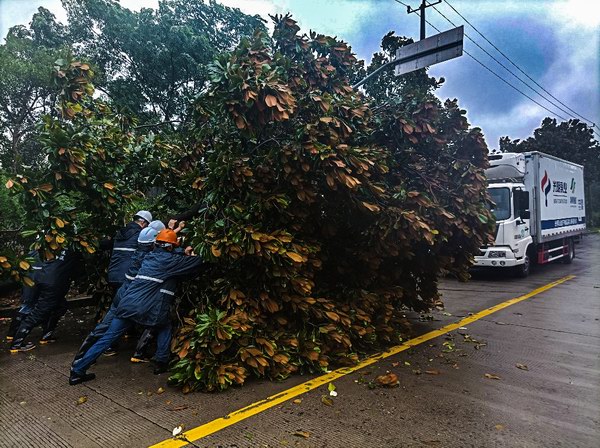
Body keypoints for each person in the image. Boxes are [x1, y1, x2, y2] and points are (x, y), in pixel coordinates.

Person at [69, 229, 203, 385]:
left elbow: (170, 256)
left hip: (126, 304)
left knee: (107, 338)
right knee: (164, 325)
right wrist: (191, 253)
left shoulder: (149, 257)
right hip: (142, 307)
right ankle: (161, 362)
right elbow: (198, 262)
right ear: (170, 247)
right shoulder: (168, 261)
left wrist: (179, 250)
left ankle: (78, 370)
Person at [71, 227, 159, 363]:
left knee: (105, 325)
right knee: (118, 328)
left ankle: (81, 356)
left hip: (119, 285)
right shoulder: (150, 257)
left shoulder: (129, 244)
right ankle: (135, 351)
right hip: (130, 295)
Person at [10, 249, 83, 353]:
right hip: (52, 283)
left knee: (60, 306)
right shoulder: (73, 250)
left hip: (44, 278)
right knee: (38, 313)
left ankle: (46, 335)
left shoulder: (55, 246)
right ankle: (16, 344)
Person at [103, 210, 152, 292]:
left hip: (113, 275)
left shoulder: (120, 233)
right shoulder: (140, 235)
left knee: (117, 301)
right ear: (143, 223)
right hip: (127, 276)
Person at [5, 251, 43, 341]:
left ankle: (12, 333)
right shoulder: (44, 253)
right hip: (34, 281)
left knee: (27, 306)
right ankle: (14, 334)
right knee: (27, 307)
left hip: (30, 280)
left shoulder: (34, 252)